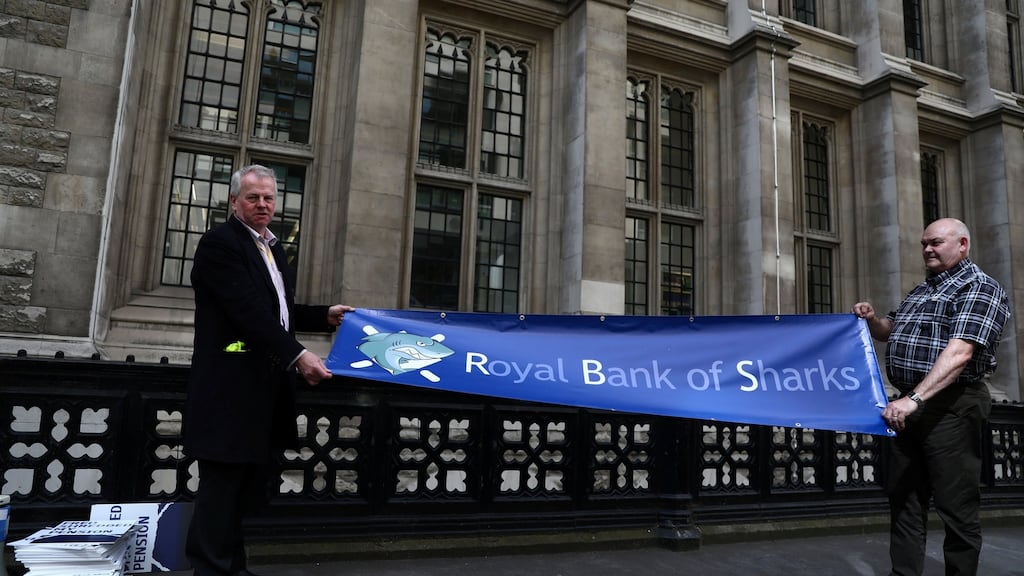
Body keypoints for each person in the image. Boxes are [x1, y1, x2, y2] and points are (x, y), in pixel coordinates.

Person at [183, 164, 355, 576]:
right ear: (234, 202)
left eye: (269, 198)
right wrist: (299, 355)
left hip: (262, 390)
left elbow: (276, 311)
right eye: (253, 197)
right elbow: (248, 314)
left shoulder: (272, 247)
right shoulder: (219, 244)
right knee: (220, 490)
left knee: (245, 491)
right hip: (229, 389)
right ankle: (210, 569)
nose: (262, 205)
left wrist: (322, 316)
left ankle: (232, 568)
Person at [852, 217, 1010, 576]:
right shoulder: (922, 290)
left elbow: (960, 353)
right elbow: (892, 330)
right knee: (905, 500)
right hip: (909, 406)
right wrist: (873, 319)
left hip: (951, 406)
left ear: (962, 245)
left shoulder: (979, 288)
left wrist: (914, 400)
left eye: (936, 242)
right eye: (924, 243)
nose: (927, 249)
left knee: (957, 508)